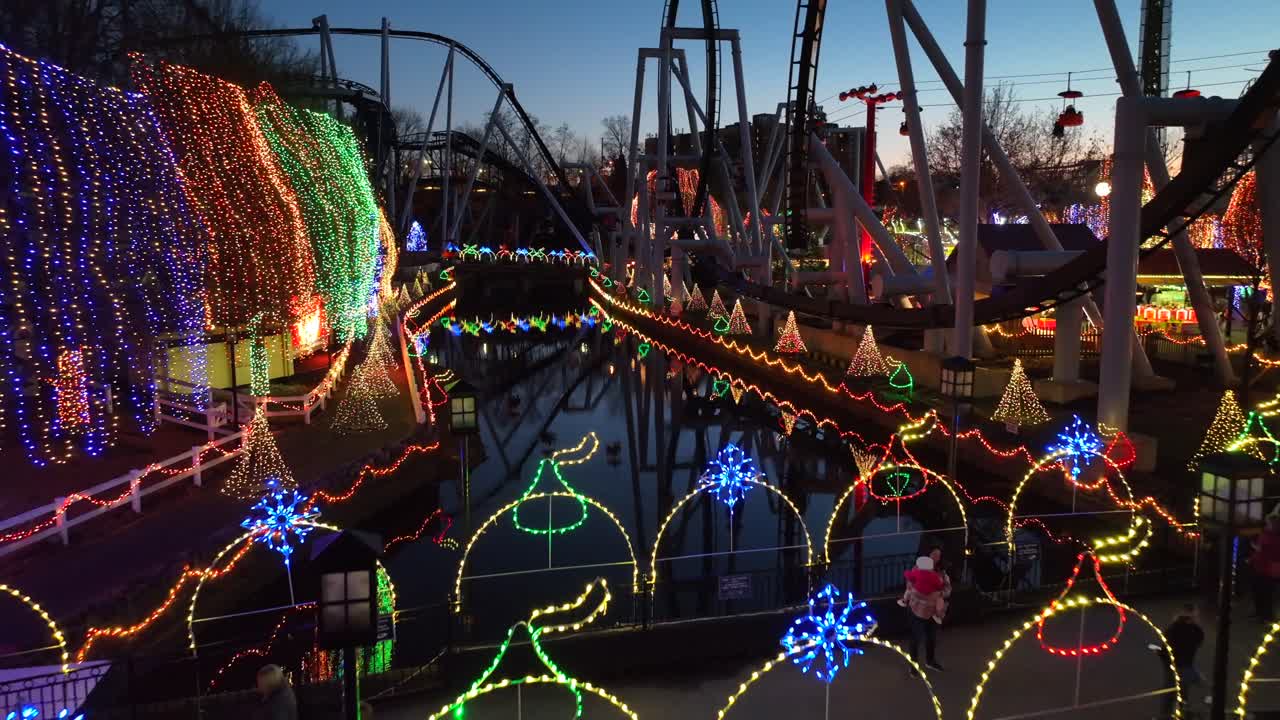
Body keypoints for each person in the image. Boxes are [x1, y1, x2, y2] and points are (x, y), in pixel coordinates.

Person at [1160, 604, 1205, 717]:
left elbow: (1163, 650)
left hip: (1173, 666)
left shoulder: (1171, 629)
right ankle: (1181, 713)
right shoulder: (1195, 631)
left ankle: (1167, 715)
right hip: (1186, 665)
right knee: (1183, 693)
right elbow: (1199, 640)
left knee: (1170, 693)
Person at [903, 556, 946, 673]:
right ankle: (914, 665)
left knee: (931, 637)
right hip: (917, 610)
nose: (936, 557)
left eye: (938, 555)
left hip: (929, 611)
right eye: (934, 554)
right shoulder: (920, 571)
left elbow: (946, 588)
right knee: (916, 637)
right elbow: (910, 585)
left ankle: (930, 661)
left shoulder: (940, 573)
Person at [1252, 514, 1280, 622]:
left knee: (1266, 593)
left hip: (1268, 568)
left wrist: (1258, 550)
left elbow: (1267, 551)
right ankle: (1261, 613)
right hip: (1261, 566)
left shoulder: (1273, 537)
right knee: (1259, 590)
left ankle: (1266, 615)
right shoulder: (1265, 534)